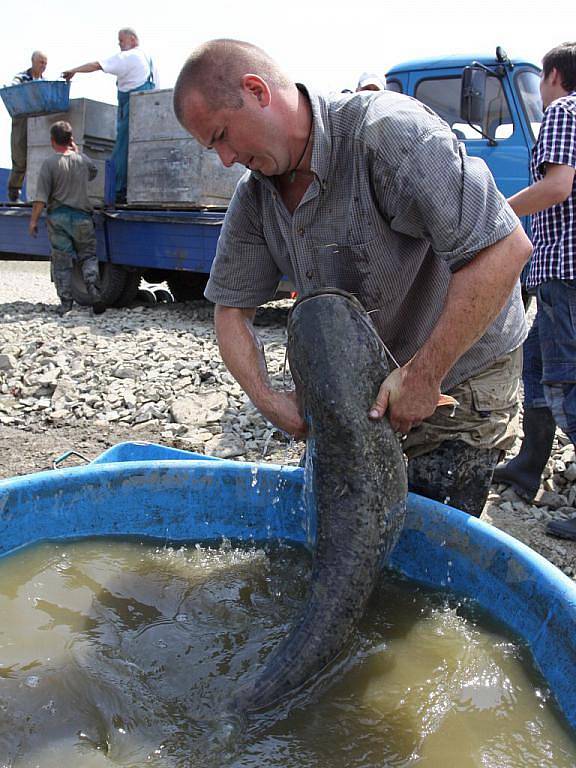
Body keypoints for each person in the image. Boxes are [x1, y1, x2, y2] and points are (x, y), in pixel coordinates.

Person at [173, 39, 532, 517]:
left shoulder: (387, 134)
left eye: (221, 136)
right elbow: (230, 312)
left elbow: (504, 250)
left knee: (426, 539)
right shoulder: (256, 197)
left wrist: (426, 374)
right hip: (366, 379)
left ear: (257, 91)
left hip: (460, 369)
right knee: (345, 526)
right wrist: (267, 399)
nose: (224, 158)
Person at [493, 42, 576, 541]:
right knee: (539, 367)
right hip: (557, 273)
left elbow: (556, 187)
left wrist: (498, 213)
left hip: (565, 272)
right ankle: (529, 465)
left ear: (551, 77)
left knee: (566, 382)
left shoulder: (564, 111)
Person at [62, 28, 157, 203]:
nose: (119, 44)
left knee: (121, 148)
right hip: (147, 110)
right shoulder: (148, 59)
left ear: (132, 39)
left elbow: (97, 65)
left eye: (121, 40)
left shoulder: (128, 56)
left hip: (132, 107)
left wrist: (74, 70)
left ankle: (118, 190)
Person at [29, 120, 105, 317]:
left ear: (52, 140)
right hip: (82, 217)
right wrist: (77, 152)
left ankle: (66, 304)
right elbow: (93, 173)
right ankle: (94, 292)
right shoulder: (82, 160)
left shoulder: (49, 164)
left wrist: (33, 221)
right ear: (71, 139)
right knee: (88, 256)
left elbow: (40, 199)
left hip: (59, 219)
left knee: (62, 261)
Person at [8, 50, 48, 202]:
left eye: (45, 63)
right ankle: (14, 193)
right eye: (41, 62)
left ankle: (35, 195)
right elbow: (12, 88)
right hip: (22, 121)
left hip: (38, 122)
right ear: (32, 61)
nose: (43, 66)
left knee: (37, 158)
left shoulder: (45, 82)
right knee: (19, 158)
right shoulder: (22, 77)